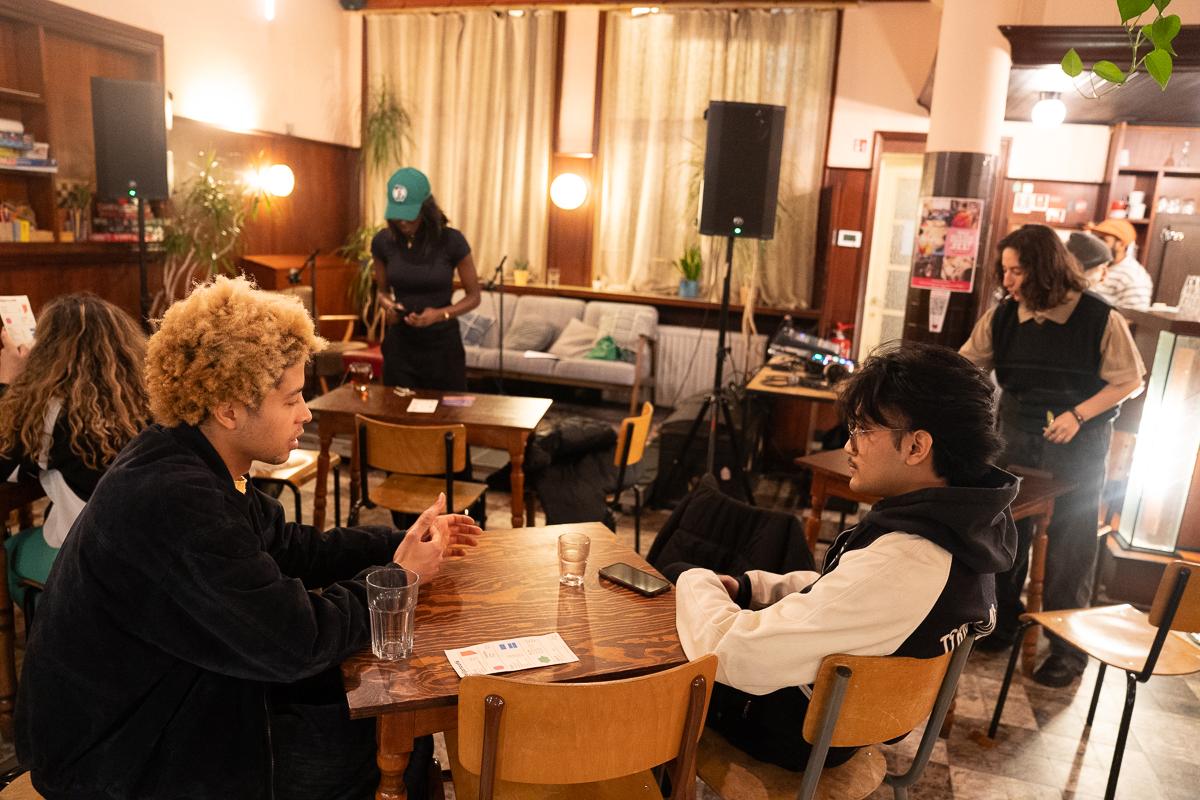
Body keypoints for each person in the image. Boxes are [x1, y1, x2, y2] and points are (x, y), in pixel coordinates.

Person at [15, 276, 483, 800]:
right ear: (230, 409)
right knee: (387, 737)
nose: (306, 413)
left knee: (375, 705)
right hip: (119, 754)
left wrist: (399, 542)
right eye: (293, 398)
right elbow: (294, 641)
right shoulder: (175, 499)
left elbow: (293, 548)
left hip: (170, 698)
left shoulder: (189, 454)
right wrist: (398, 579)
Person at [673, 342, 1017, 770]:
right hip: (843, 721)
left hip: (795, 731)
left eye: (862, 429)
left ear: (916, 447)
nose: (849, 445)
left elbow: (734, 653)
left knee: (670, 604)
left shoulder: (907, 560)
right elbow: (845, 593)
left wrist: (695, 579)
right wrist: (751, 588)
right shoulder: (968, 528)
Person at [961, 224, 1145, 688]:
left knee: (1069, 544)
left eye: (1016, 271)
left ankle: (1068, 650)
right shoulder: (1004, 316)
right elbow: (967, 364)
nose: (1007, 280)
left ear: (1044, 270)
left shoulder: (1098, 317)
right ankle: (1001, 624)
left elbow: (1130, 379)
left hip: (1078, 443)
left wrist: (1078, 415)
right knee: (1006, 533)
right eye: (1005, 270)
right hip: (1014, 435)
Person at [0, 293, 149, 612]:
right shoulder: (150, 403)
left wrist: (9, 383)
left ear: (47, 353)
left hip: (89, 559)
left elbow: (3, 463)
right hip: (151, 550)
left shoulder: (51, 414)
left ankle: (50, 631)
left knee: (11, 550)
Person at [372, 167, 482, 390]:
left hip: (443, 348)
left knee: (448, 410)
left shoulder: (451, 241)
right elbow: (382, 292)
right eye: (397, 214)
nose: (403, 222)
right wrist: (390, 306)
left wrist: (440, 314)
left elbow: (474, 296)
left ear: (426, 208)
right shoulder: (382, 242)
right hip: (400, 347)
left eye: (410, 215)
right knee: (396, 408)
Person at [1086, 217, 1154, 310]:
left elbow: (1134, 316)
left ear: (1121, 245)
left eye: (1103, 240)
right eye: (1096, 239)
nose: (1096, 244)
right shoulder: (1097, 266)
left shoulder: (1134, 276)